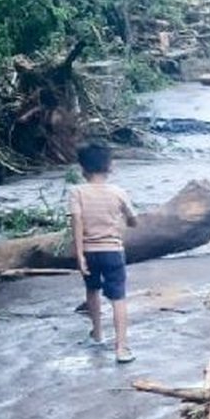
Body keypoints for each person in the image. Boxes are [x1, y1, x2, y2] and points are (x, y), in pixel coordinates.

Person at [69, 142, 138, 364]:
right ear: (110, 167)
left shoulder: (76, 192)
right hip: (113, 251)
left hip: (89, 252)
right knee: (118, 298)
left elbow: (77, 223)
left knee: (92, 290)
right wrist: (128, 220)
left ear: (83, 169)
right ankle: (121, 348)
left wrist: (79, 254)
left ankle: (97, 334)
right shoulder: (118, 193)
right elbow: (133, 219)